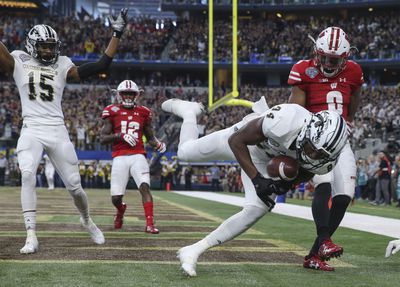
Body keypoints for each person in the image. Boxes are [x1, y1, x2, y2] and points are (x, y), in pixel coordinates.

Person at [161, 98, 348, 276]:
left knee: (257, 208)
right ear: (310, 130)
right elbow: (236, 141)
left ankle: (194, 249)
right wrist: (257, 180)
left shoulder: (325, 157)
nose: (313, 155)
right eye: (311, 149)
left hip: (266, 159)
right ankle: (189, 112)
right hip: (246, 142)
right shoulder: (286, 120)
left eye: (319, 155)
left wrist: (285, 185)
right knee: (185, 152)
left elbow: (308, 170)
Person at [0, 8, 129, 254]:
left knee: (75, 187)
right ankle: (31, 235)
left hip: (57, 130)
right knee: (27, 175)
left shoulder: (63, 64)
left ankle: (87, 220)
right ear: (31, 45)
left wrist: (117, 33)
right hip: (31, 129)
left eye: (51, 46)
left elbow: (101, 65)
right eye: (44, 46)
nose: (49, 51)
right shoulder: (19, 59)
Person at [288, 26, 364, 271]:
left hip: (341, 139)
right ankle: (325, 241)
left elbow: (355, 97)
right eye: (324, 57)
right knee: (324, 184)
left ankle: (314, 254)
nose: (328, 63)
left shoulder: (353, 71)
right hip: (315, 140)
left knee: (343, 196)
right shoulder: (303, 69)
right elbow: (296, 111)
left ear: (345, 57)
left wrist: (348, 121)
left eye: (334, 59)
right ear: (316, 52)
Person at [100, 80, 166, 234]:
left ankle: (149, 224)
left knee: (144, 187)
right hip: (120, 156)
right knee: (116, 197)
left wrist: (157, 144)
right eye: (125, 93)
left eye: (131, 93)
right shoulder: (112, 110)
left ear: (137, 95)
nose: (128, 96)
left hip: (138, 155)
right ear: (119, 94)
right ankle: (121, 209)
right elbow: (103, 138)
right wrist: (120, 135)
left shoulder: (144, 112)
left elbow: (149, 136)